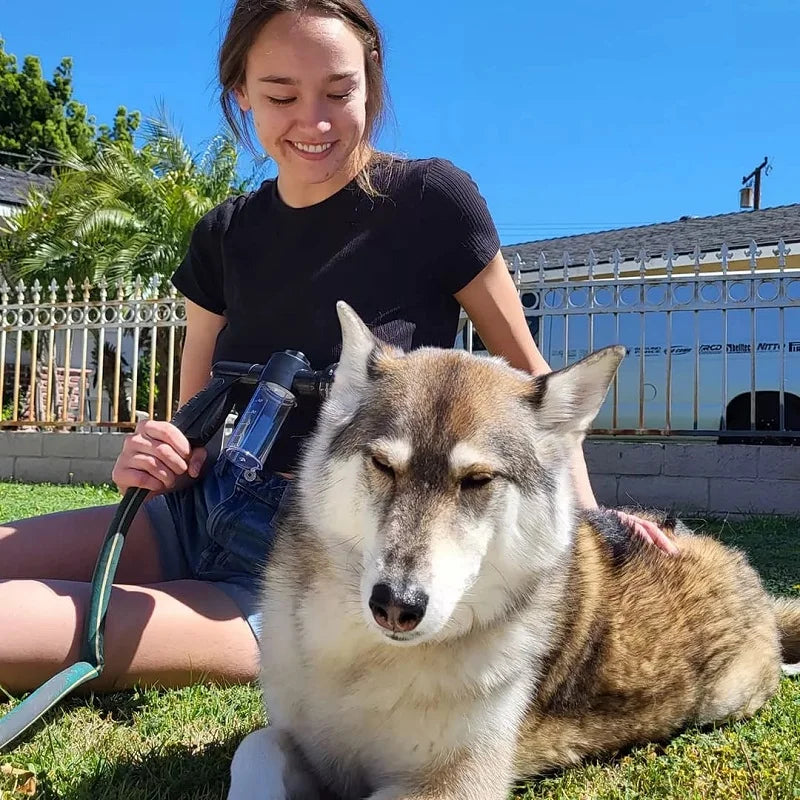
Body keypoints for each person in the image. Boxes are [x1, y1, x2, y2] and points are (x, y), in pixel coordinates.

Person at [0, 0, 677, 696]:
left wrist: (590, 523)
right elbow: (191, 414)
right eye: (281, 95)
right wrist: (162, 452)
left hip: (317, 561)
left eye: (338, 91)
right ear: (241, 95)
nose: (313, 122)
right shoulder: (223, 235)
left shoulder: (433, 202)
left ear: (371, 79)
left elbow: (534, 382)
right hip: (194, 511)